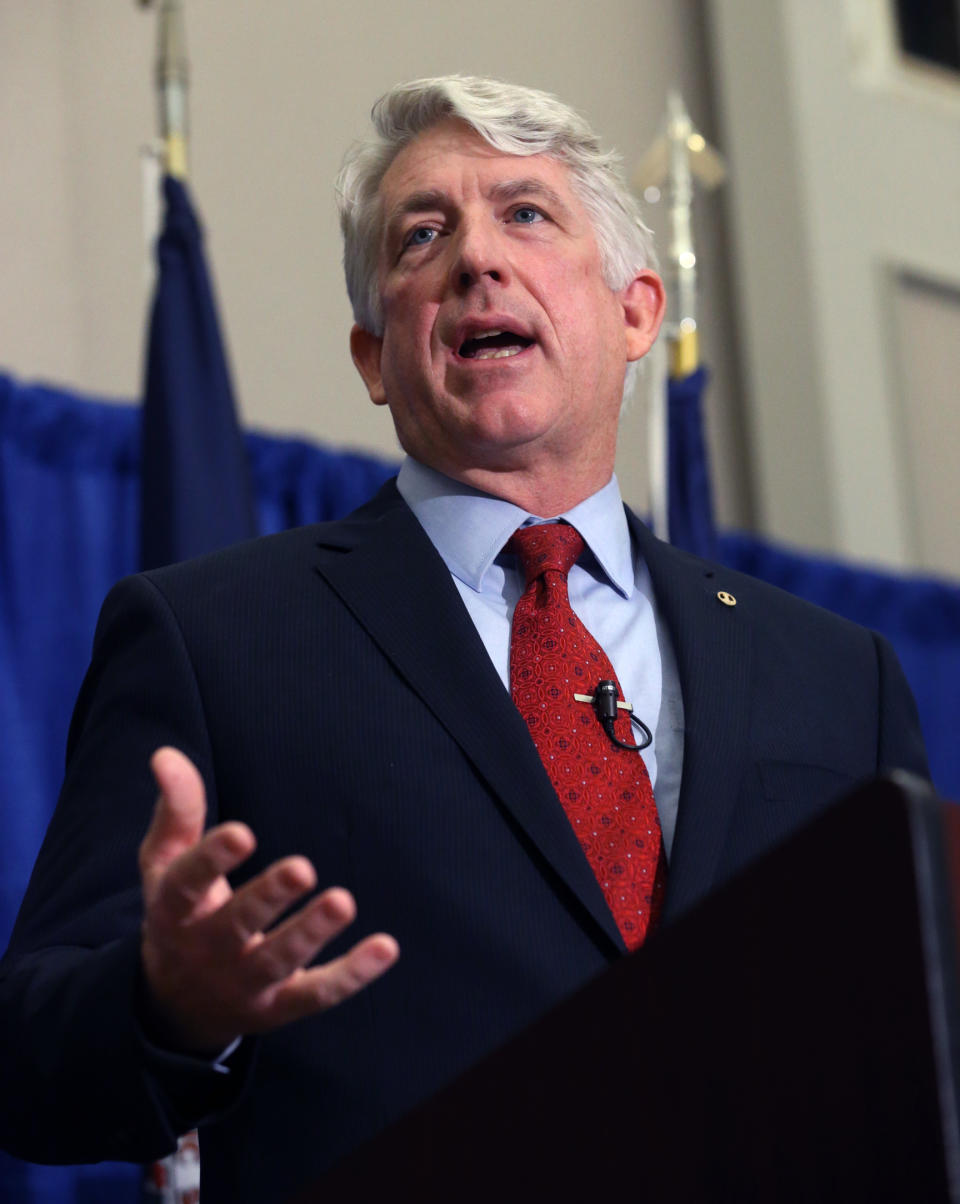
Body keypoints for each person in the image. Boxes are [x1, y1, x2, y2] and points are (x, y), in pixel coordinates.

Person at [0, 75, 928, 1202]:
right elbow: (27, 1061)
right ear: (374, 357)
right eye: (422, 235)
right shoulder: (213, 636)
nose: (476, 259)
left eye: (526, 214)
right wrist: (170, 1007)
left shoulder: (836, 674)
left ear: (637, 311)